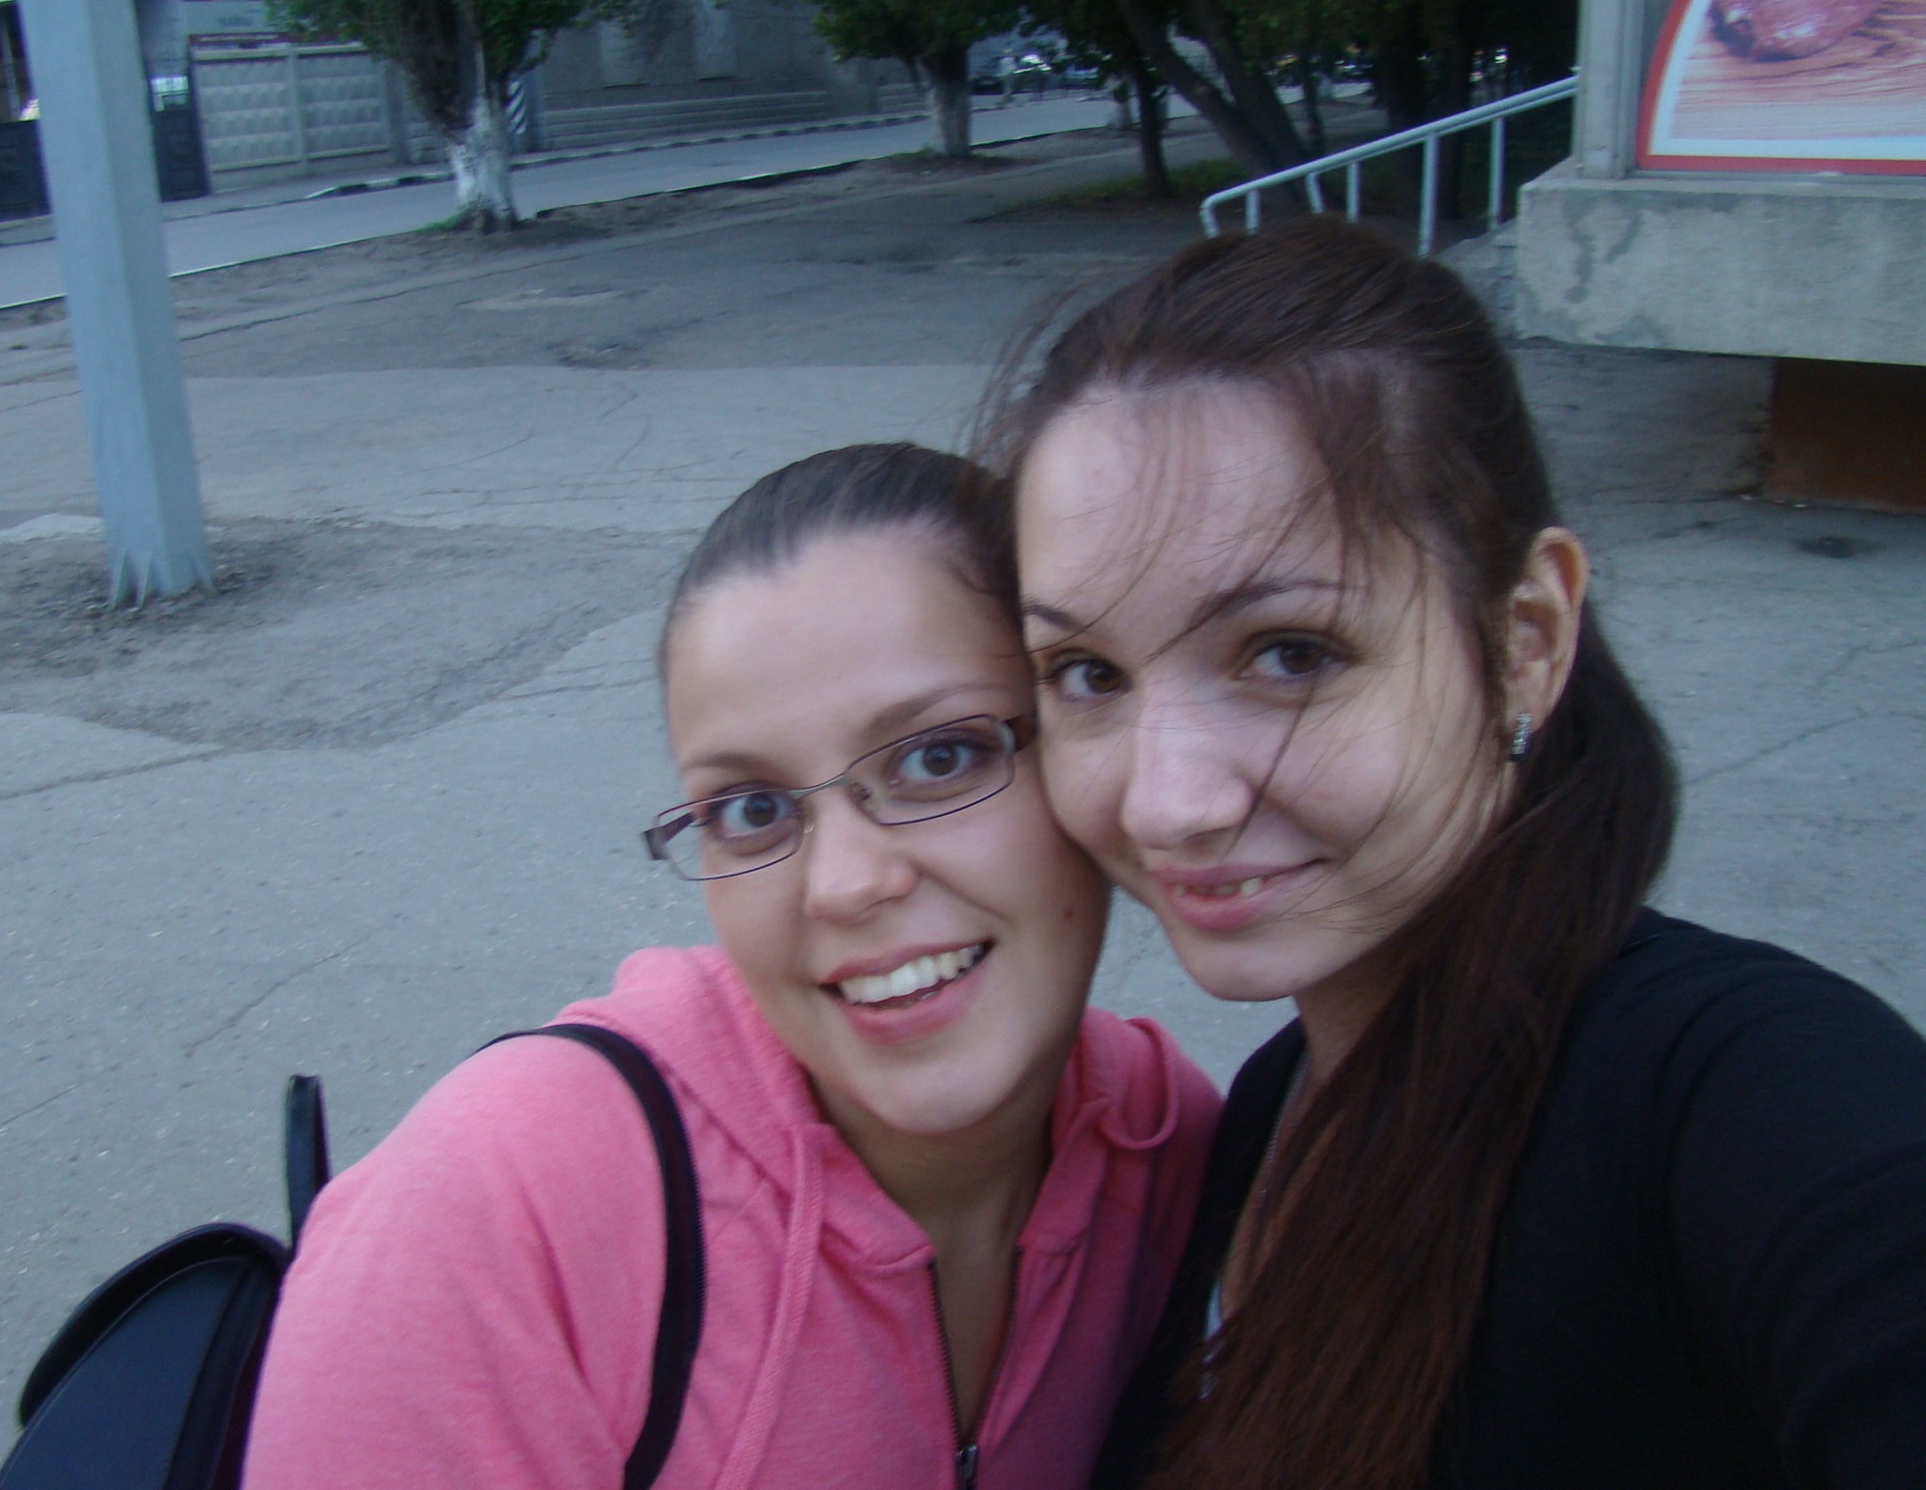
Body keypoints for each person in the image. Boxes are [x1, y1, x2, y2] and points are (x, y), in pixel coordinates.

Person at [983, 218, 1926, 1490]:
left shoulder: (1741, 1096)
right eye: (1087, 673)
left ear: (1526, 640)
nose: (1166, 804)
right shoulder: (1268, 1110)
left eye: (1288, 654)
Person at [241, 444, 1221, 1490]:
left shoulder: (1170, 1150)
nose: (843, 884)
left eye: (937, 757)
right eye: (752, 811)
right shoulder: (501, 1212)